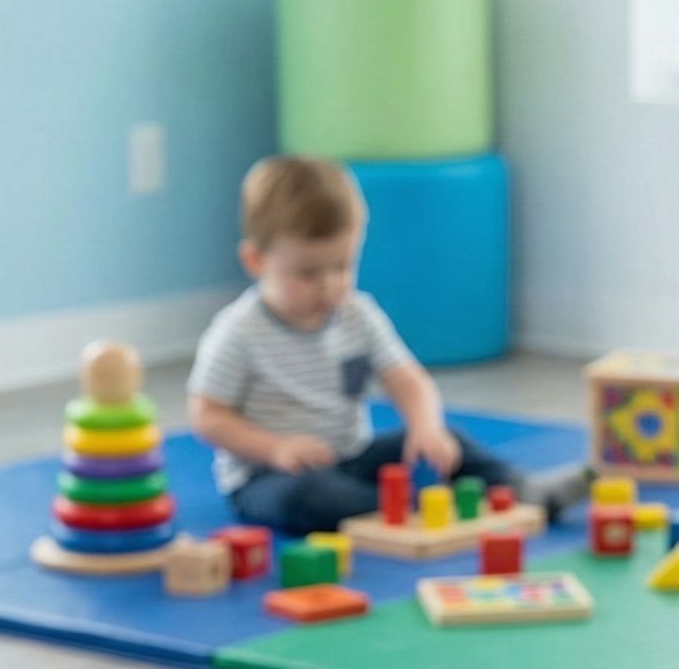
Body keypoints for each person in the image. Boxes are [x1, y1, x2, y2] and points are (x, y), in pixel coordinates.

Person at [187, 154, 590, 537]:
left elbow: (407, 380)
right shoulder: (238, 332)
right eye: (307, 273)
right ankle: (409, 511)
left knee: (452, 440)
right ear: (256, 261)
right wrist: (274, 449)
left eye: (343, 266)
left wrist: (426, 428)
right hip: (270, 475)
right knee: (311, 500)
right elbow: (207, 415)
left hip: (353, 456)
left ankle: (524, 490)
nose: (329, 285)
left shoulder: (356, 315)